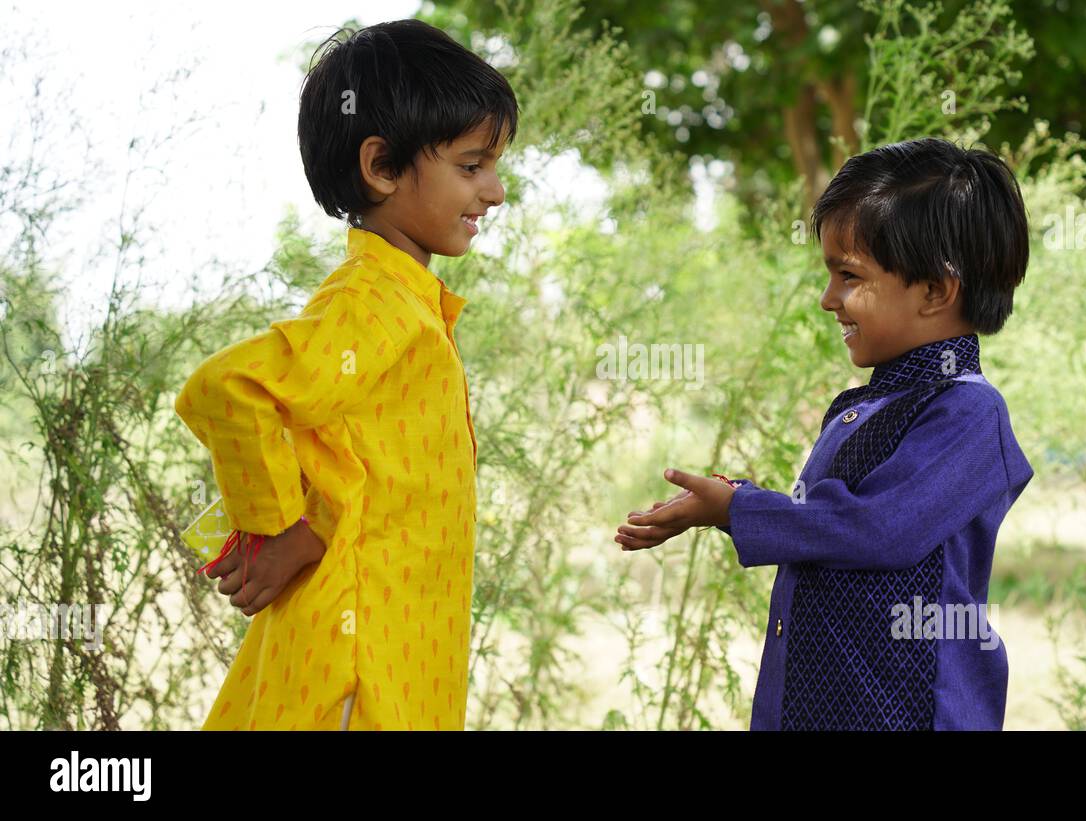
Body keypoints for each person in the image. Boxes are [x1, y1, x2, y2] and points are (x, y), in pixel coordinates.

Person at [617, 138, 1035, 730]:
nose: (827, 299)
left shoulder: (968, 412)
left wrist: (739, 508)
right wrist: (731, 498)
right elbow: (834, 524)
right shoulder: (866, 406)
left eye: (848, 276)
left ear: (937, 291)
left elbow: (879, 529)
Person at [174, 18, 516, 730]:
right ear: (382, 166)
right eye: (471, 165)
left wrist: (314, 521)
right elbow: (228, 386)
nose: (496, 191)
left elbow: (365, 470)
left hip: (397, 668)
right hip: (362, 675)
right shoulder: (373, 303)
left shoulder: (408, 305)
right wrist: (274, 528)